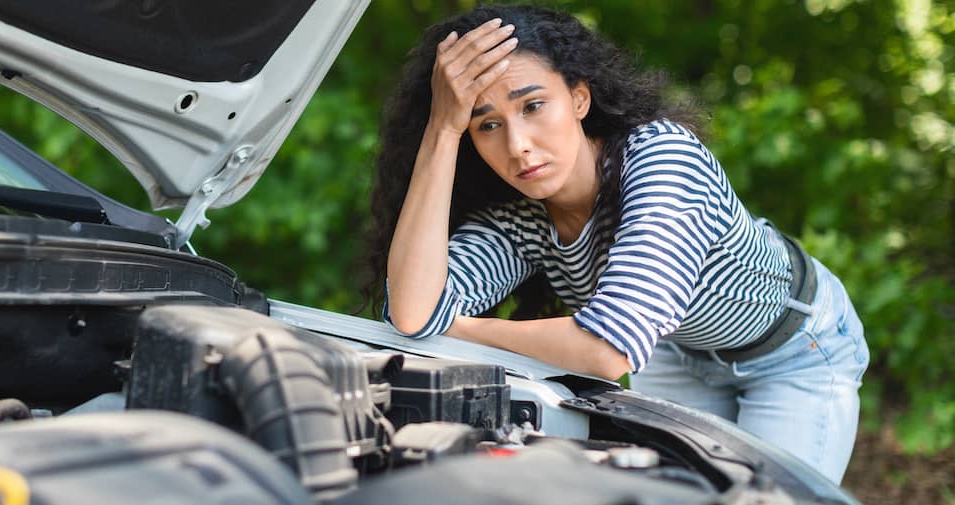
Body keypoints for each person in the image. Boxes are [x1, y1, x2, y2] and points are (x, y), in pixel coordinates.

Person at [363, 4, 870, 483]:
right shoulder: (520, 214)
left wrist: (460, 328)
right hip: (675, 352)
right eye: (487, 124)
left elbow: (608, 348)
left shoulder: (662, 157)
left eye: (533, 106)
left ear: (579, 98)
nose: (517, 144)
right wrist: (442, 128)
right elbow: (411, 313)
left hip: (794, 347)